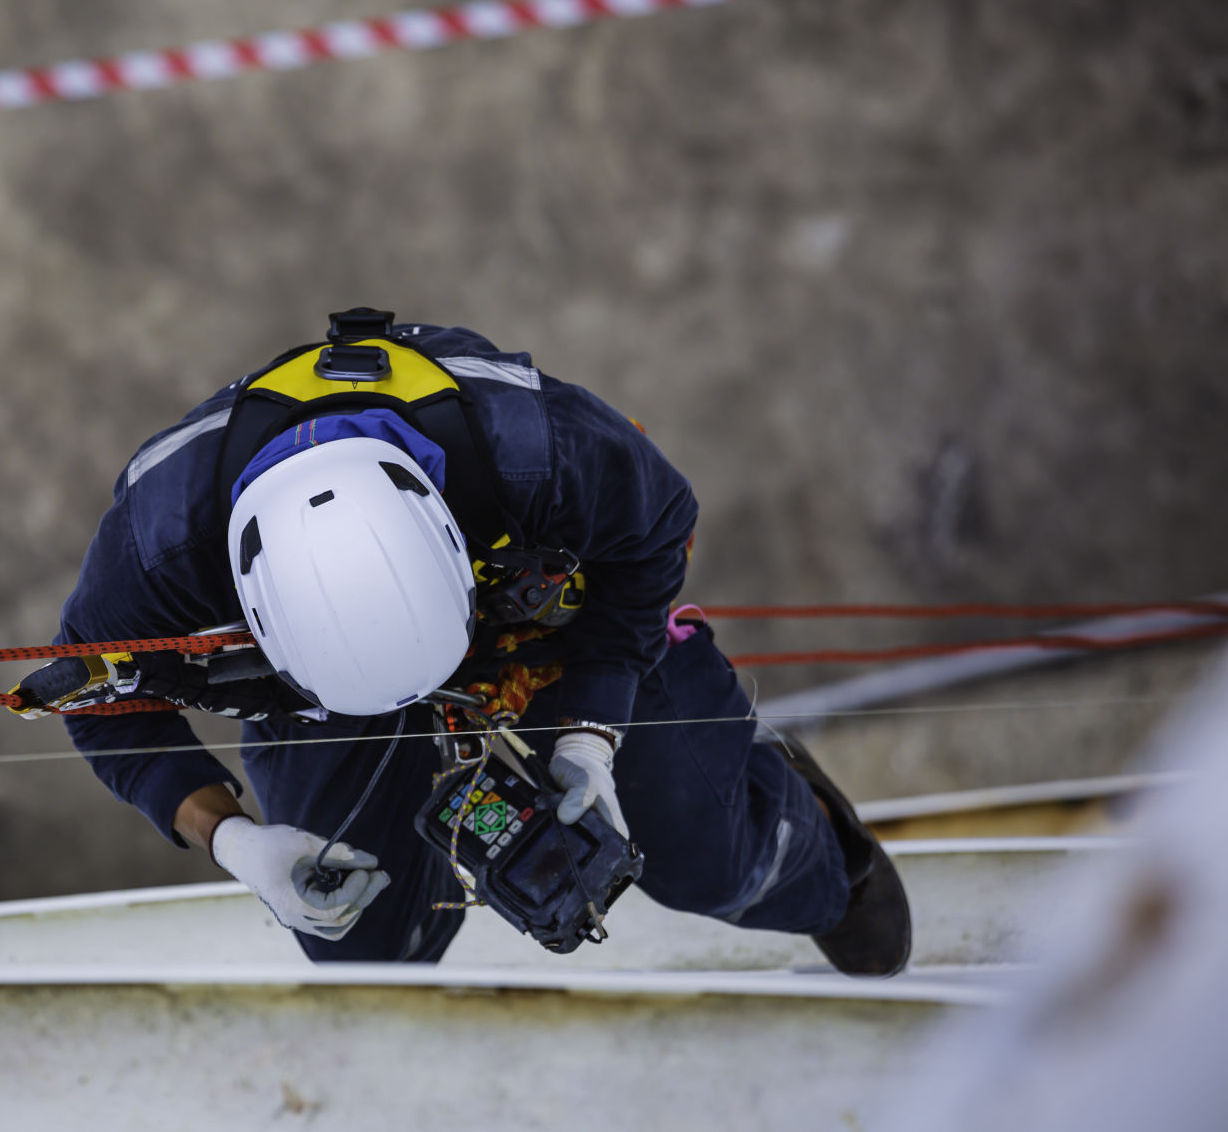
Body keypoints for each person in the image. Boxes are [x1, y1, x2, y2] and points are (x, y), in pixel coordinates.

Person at [54, 311, 910, 975]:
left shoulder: (540, 451)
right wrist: (232, 840)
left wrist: (590, 731)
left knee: (708, 863)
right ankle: (409, 892)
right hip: (320, 687)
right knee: (360, 943)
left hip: (537, 621)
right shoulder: (156, 549)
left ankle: (815, 853)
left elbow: (656, 532)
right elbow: (104, 712)